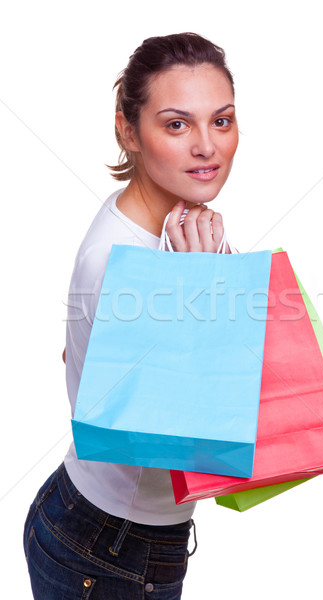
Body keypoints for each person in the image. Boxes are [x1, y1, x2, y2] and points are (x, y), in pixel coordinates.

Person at [23, 32, 239, 600]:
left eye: (221, 121)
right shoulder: (121, 261)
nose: (206, 146)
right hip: (108, 550)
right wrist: (200, 291)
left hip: (114, 531)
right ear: (128, 130)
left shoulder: (169, 226)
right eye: (176, 124)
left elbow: (78, 355)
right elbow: (187, 441)